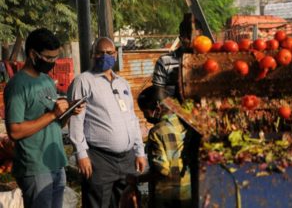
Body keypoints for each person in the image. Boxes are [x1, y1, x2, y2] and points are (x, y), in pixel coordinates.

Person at [4, 28, 84, 208]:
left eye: (55, 58)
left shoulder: (46, 80)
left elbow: (55, 123)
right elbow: (14, 131)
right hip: (35, 167)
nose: (53, 62)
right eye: (48, 58)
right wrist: (52, 114)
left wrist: (68, 112)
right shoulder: (17, 86)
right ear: (33, 54)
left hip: (56, 161)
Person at [67, 37, 147, 208]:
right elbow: (75, 120)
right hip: (99, 159)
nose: (105, 56)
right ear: (92, 55)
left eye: (109, 53)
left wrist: (139, 151)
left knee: (127, 202)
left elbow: (132, 119)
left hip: (127, 159)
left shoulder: (122, 83)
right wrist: (81, 154)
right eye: (100, 53)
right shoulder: (83, 81)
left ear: (115, 55)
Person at [136, 86, 194, 208]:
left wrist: (137, 179)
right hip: (188, 192)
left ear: (157, 108)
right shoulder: (185, 122)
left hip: (167, 197)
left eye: (144, 111)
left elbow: (162, 170)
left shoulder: (157, 132)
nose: (145, 116)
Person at [152, 13, 203, 102]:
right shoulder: (164, 61)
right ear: (181, 38)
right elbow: (158, 93)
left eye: (197, 37)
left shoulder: (208, 59)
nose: (193, 41)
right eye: (189, 37)